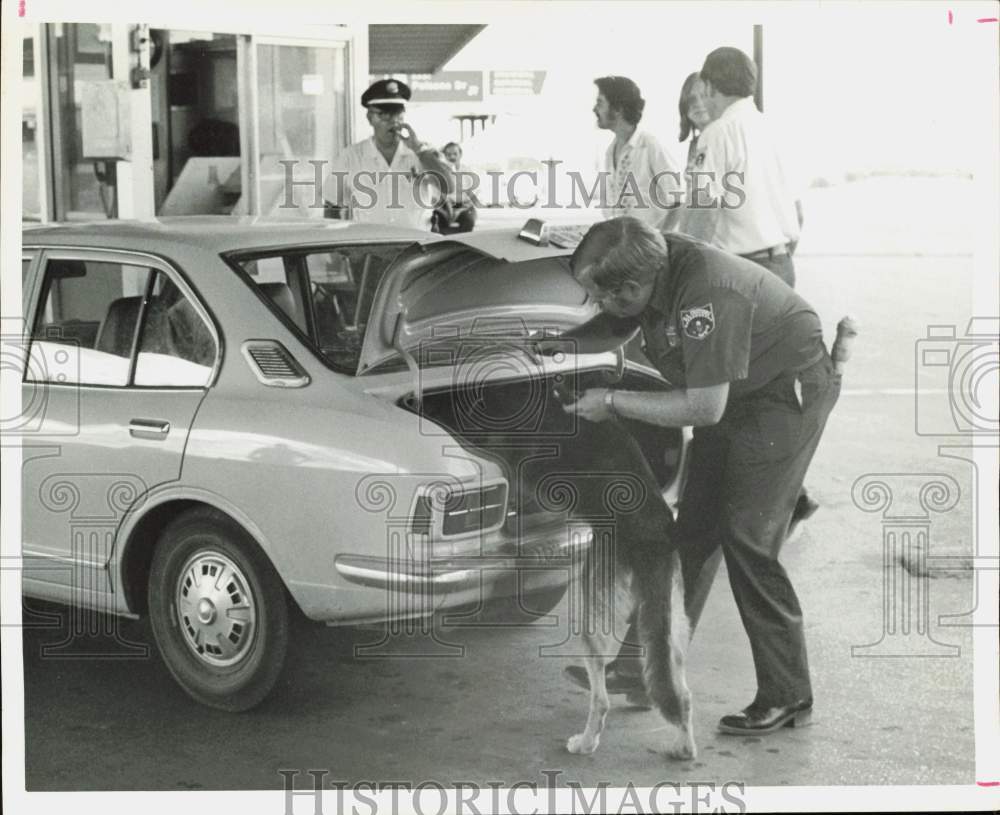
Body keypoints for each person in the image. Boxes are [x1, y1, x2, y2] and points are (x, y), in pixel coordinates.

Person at [560, 217, 840, 735]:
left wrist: (614, 402)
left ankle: (788, 694)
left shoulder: (707, 293)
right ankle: (645, 672)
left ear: (635, 285)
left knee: (748, 540)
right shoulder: (652, 264)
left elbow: (704, 408)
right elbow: (625, 318)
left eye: (606, 296)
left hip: (783, 396)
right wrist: (563, 343)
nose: (600, 305)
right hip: (736, 391)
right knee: (690, 531)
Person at [682, 48, 801, 288]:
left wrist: (684, 269)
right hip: (783, 265)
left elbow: (705, 210)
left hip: (742, 272)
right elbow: (798, 212)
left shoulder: (717, 133)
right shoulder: (775, 130)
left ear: (708, 86)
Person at [322, 79, 454, 230]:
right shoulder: (351, 156)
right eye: (385, 115)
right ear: (370, 118)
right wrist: (336, 250)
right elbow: (332, 203)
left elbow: (449, 186)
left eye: (398, 114)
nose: (393, 121)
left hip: (417, 246)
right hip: (370, 248)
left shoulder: (422, 153)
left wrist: (419, 150)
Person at [593, 76, 683, 230]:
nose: (595, 109)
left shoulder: (650, 146)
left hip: (649, 247)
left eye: (600, 103)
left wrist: (662, 240)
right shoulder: (610, 151)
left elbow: (679, 202)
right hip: (625, 243)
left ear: (618, 109)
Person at [666, 72, 713, 233]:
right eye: (691, 100)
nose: (698, 104)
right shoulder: (695, 144)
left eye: (703, 96)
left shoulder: (722, 139)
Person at [431, 141, 478, 234]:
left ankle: (454, 239)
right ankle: (444, 238)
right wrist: (447, 211)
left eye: (455, 154)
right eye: (448, 154)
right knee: (435, 222)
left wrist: (459, 211)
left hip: (464, 206)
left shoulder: (468, 171)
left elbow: (472, 197)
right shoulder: (440, 172)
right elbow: (436, 196)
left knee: (469, 222)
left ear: (460, 155)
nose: (452, 157)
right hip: (445, 206)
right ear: (444, 156)